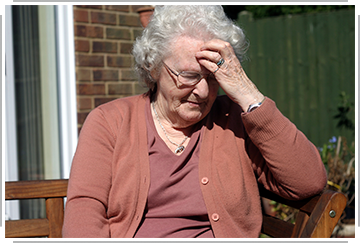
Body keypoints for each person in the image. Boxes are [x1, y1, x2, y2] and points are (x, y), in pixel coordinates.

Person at [62, 5, 327, 238]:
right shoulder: (110, 121)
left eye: (213, 78)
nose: (202, 91)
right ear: (154, 68)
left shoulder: (233, 120)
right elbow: (85, 208)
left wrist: (247, 92)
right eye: (188, 75)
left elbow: (309, 182)